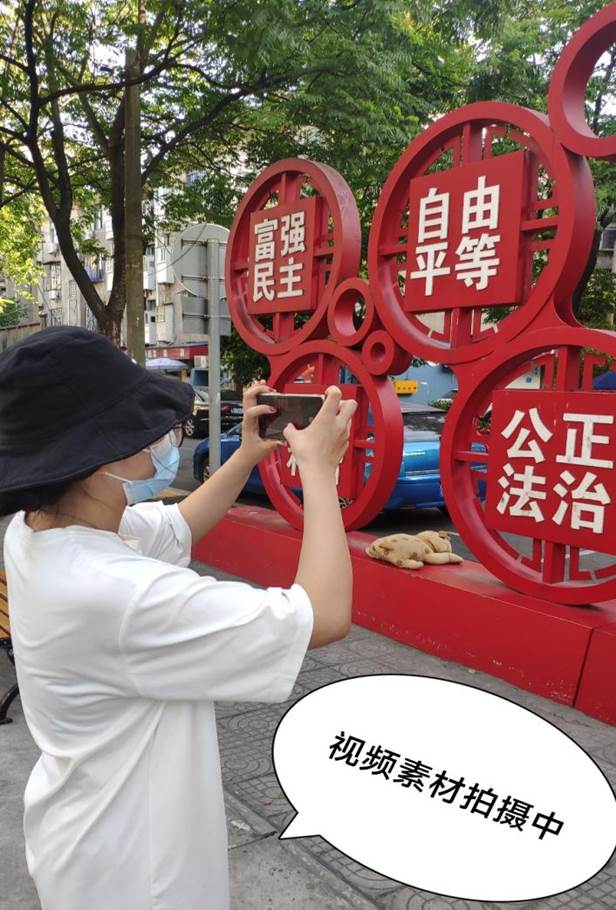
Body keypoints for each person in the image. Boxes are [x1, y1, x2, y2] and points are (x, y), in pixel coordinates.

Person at [0, 326, 357, 910]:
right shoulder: (116, 593)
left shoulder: (40, 528)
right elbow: (324, 614)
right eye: (139, 428)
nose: (160, 438)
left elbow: (177, 525)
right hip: (136, 876)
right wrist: (320, 473)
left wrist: (249, 453)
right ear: (95, 459)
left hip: (85, 837)